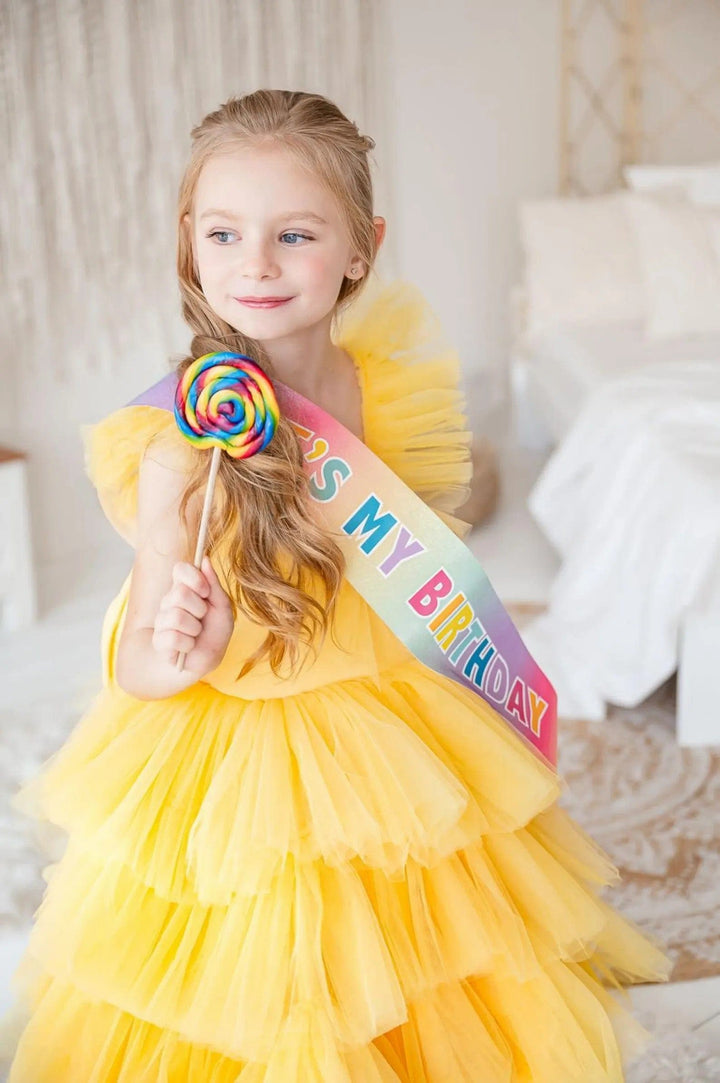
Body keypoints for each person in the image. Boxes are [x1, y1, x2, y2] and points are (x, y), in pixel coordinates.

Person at [8, 89, 669, 1082]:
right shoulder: (176, 452)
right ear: (189, 246)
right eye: (224, 234)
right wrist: (173, 642)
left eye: (295, 234)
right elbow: (142, 664)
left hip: (379, 710)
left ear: (362, 248)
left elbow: (406, 559)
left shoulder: (380, 384)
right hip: (236, 748)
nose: (256, 265)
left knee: (428, 945)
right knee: (274, 976)